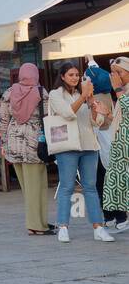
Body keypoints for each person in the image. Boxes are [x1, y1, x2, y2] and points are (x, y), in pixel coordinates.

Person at [48, 60, 114, 243]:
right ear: (62, 76)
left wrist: (93, 105)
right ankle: (63, 226)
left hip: (89, 145)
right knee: (67, 186)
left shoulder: (84, 94)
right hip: (67, 146)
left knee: (91, 187)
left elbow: (96, 123)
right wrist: (83, 96)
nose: (75, 78)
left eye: (77, 75)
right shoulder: (55, 94)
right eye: (71, 75)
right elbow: (68, 113)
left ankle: (98, 227)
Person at [0, 63, 51, 235]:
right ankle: (37, 225)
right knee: (37, 186)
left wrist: (4, 143)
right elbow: (49, 117)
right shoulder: (41, 92)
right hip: (34, 143)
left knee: (27, 188)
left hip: (13, 143)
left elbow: (2, 120)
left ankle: (37, 222)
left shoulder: (9, 93)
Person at [100, 57, 129, 230]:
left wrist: (117, 89)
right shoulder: (123, 91)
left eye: (120, 72)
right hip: (121, 147)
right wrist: (108, 115)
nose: (116, 76)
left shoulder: (122, 91)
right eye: (114, 73)